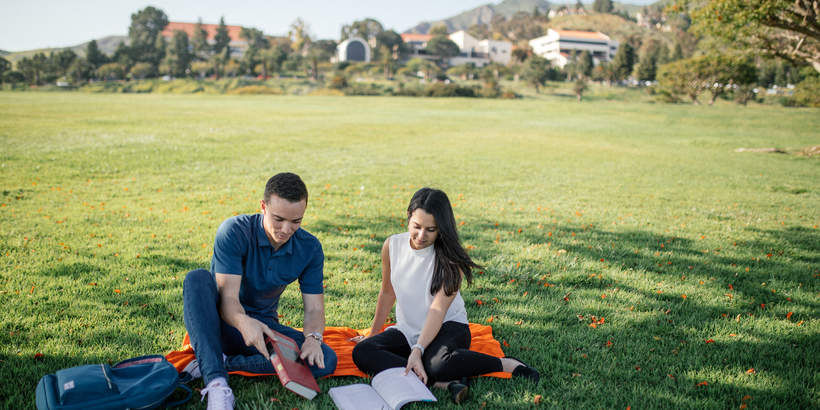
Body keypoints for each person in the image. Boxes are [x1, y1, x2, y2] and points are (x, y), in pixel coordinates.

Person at [352, 188, 539, 404]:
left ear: (442, 228)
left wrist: (417, 350)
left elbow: (437, 309)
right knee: (363, 352)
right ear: (409, 216)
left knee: (436, 364)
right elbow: (387, 292)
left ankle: (506, 364)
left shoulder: (451, 261)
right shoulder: (392, 246)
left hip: (449, 327)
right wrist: (373, 334)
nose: (422, 236)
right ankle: (441, 383)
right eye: (417, 227)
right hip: (407, 329)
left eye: (431, 230)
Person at [181, 173, 337, 410]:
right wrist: (244, 322)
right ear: (263, 207)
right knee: (197, 278)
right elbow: (228, 300)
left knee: (326, 359)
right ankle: (216, 383)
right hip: (221, 322)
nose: (286, 229)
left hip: (265, 328)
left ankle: (219, 362)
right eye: (278, 219)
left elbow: (314, 308)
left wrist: (313, 338)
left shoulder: (310, 248)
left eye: (296, 221)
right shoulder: (234, 231)